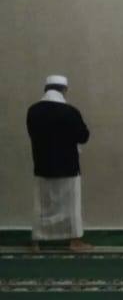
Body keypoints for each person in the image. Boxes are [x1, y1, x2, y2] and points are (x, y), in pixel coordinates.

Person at [26, 75, 92, 252]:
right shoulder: (70, 112)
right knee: (71, 206)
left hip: (42, 165)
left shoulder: (33, 111)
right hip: (68, 166)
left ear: (46, 89)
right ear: (64, 90)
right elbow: (83, 136)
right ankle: (75, 241)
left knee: (42, 205)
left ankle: (36, 241)